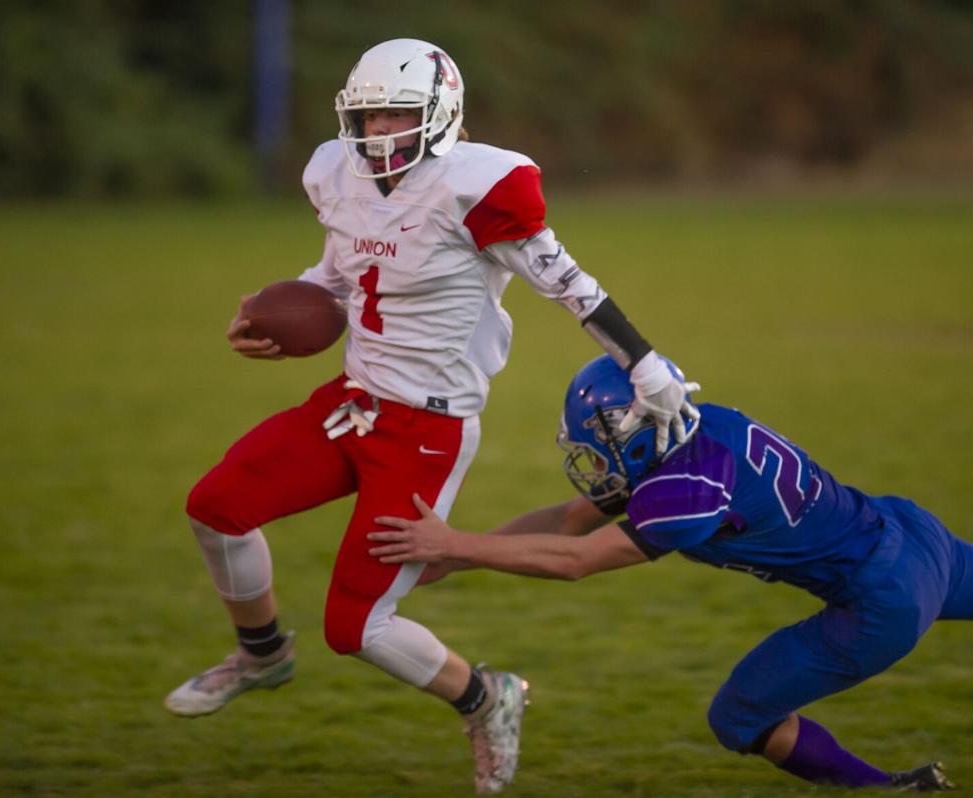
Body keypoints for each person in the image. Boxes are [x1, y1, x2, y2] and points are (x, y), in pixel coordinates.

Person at [163, 39, 698, 795]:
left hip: (426, 431)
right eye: (368, 115)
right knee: (215, 507)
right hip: (352, 402)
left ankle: (488, 697)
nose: (378, 132)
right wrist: (272, 317)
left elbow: (571, 286)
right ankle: (260, 653)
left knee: (356, 629)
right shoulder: (336, 173)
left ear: (441, 114)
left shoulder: (477, 187)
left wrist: (645, 364)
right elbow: (338, 278)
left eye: (396, 114)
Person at [366, 354, 973, 791]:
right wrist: (455, 556)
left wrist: (458, 542)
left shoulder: (683, 495)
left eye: (594, 443)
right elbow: (570, 522)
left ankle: (880, 791)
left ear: (633, 434)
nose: (587, 459)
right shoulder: (702, 428)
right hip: (908, 533)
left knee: (738, 718)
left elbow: (575, 563)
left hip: (880, 597)